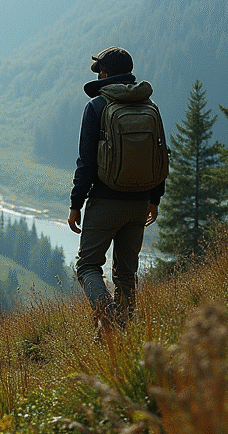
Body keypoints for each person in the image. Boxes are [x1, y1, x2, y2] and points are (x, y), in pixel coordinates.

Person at [67, 46, 163, 329]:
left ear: (105, 74)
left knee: (87, 266)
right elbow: (160, 154)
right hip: (139, 202)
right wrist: (154, 198)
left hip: (105, 201)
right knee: (125, 274)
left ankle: (106, 314)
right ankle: (116, 335)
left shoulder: (97, 106)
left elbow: (86, 162)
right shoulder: (150, 106)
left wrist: (76, 203)